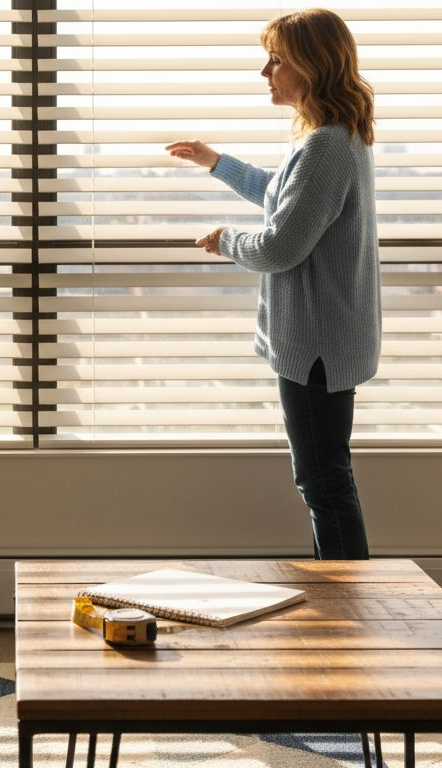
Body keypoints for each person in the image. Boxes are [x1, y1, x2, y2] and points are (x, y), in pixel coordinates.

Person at [165, 8, 379, 560]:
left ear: (312, 65)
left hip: (316, 348)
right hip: (324, 343)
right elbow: (284, 194)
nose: (266, 72)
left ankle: (348, 602)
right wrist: (215, 162)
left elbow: (280, 247)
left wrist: (226, 240)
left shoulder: (326, 145)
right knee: (325, 480)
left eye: (277, 60)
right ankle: (342, 597)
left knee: (324, 484)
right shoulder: (332, 139)